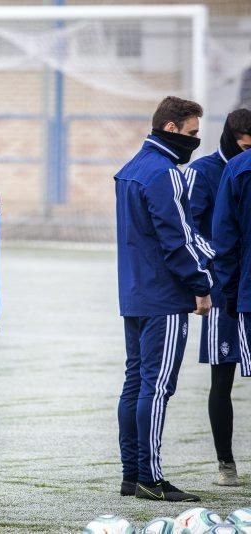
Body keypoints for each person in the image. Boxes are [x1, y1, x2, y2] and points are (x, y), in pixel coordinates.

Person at [115, 96, 213, 503]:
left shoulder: (131, 169)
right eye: (192, 133)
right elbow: (176, 240)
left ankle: (131, 474)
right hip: (164, 296)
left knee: (135, 383)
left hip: (135, 293)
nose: (195, 140)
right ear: (171, 129)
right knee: (156, 389)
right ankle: (150, 479)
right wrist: (201, 284)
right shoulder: (164, 173)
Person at [185, 108, 251, 487]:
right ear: (231, 137)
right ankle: (226, 463)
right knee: (222, 378)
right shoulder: (204, 171)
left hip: (245, 285)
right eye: (243, 143)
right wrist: (218, 269)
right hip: (223, 288)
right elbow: (190, 229)